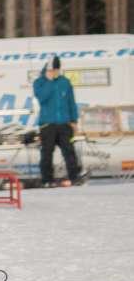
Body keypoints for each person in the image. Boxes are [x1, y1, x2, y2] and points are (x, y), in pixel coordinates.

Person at [32, 56, 84, 186]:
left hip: (64, 124)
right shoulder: (39, 82)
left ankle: (75, 177)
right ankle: (47, 180)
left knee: (69, 151)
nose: (55, 72)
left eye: (56, 70)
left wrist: (73, 120)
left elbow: (71, 102)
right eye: (52, 70)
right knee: (47, 153)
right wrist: (49, 82)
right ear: (47, 70)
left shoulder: (65, 82)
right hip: (47, 124)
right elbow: (41, 97)